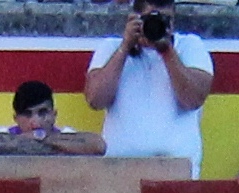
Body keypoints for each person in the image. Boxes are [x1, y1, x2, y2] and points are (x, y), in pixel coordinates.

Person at [87, 4, 213, 180]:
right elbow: (95, 99)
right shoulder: (111, 47)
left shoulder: (190, 46)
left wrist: (166, 51)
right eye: (150, 18)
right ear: (134, 18)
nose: (157, 24)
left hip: (177, 172)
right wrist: (125, 47)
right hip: (119, 172)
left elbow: (192, 100)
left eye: (164, 19)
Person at [0, 80, 106, 157]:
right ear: (16, 118)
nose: (36, 121)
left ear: (54, 114)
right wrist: (59, 146)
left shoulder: (68, 133)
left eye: (43, 112)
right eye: (27, 114)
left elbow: (98, 146)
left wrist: (39, 137)